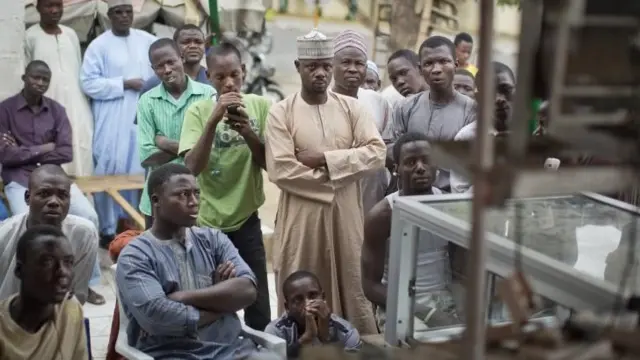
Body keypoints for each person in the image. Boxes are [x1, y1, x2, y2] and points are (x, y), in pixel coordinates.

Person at [264, 29, 385, 334]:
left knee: (351, 281)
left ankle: (357, 344)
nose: (320, 74)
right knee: (301, 280)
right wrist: (341, 175)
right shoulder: (281, 112)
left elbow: (376, 153)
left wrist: (325, 160)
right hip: (301, 219)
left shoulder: (353, 108)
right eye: (311, 67)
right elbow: (281, 169)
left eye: (325, 67)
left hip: (347, 217)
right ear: (298, 67)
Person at [116, 163, 276, 359]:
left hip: (230, 348)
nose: (194, 201)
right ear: (156, 200)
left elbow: (248, 290)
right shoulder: (136, 255)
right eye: (183, 194)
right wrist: (222, 304)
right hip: (171, 353)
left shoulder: (213, 239)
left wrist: (183, 297)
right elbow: (158, 317)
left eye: (196, 193)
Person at [179, 41, 272, 330]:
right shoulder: (197, 111)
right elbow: (191, 168)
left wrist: (247, 131)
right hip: (206, 224)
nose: (228, 82)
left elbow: (269, 164)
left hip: (246, 220)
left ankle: (259, 347)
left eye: (234, 74)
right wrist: (213, 120)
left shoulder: (260, 106)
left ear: (244, 71)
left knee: (257, 300)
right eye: (220, 77)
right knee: (209, 296)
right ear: (209, 77)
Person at [361, 132, 461, 332]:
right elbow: (370, 285)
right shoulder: (382, 215)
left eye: (426, 161)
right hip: (398, 302)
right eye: (411, 162)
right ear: (396, 169)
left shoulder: (449, 206)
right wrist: (426, 312)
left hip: (444, 299)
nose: (420, 168)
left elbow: (461, 269)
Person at [81, 0, 156, 246]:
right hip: (111, 116)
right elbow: (88, 83)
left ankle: (135, 225)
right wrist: (122, 83)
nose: (124, 16)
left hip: (142, 113)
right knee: (109, 167)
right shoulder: (98, 46)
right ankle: (107, 229)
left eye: (128, 12)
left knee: (138, 167)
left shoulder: (147, 40)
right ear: (109, 16)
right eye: (118, 13)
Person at [0, 61, 98, 227]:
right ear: (24, 78)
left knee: (88, 217)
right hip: (20, 180)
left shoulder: (56, 110)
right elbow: (6, 156)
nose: (40, 83)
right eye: (35, 78)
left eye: (45, 79)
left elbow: (66, 153)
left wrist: (21, 152)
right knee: (24, 222)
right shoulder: (5, 110)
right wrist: (45, 148)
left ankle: (78, 253)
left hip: (55, 180)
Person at [137, 38, 216, 229]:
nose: (166, 70)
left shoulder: (208, 95)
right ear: (153, 68)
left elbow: (212, 150)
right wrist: (192, 148)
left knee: (200, 256)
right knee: (159, 257)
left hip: (200, 201)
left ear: (181, 58)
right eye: (159, 66)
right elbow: (147, 156)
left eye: (171, 62)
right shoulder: (147, 101)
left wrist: (162, 142)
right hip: (158, 204)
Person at [0, 165, 100, 305]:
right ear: (28, 198)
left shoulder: (83, 234)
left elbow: (76, 296)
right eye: (44, 194)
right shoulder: (4, 235)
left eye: (62, 195)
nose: (54, 201)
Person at [390, 36, 476, 192]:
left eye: (444, 61)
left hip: (449, 199)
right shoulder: (405, 107)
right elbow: (395, 152)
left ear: (455, 64)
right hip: (409, 197)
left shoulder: (472, 111)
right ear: (420, 69)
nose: (436, 69)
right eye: (429, 63)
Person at [24, 0, 94, 177]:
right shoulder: (30, 36)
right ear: (38, 8)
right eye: (49, 6)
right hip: (47, 104)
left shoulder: (70, 34)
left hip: (76, 104)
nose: (54, 10)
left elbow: (78, 68)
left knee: (80, 149)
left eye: (58, 5)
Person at [0, 225, 88, 360]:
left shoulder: (70, 310)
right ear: (19, 270)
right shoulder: (4, 331)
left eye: (68, 262)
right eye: (47, 261)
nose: (62, 271)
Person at [331, 30, 393, 214]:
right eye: (346, 62)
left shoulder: (377, 101)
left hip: (370, 195)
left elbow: (387, 147)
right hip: (332, 194)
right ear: (332, 65)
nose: (353, 68)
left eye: (359, 63)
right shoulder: (319, 102)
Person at [450, 61, 515, 194]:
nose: (499, 99)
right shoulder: (467, 137)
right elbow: (458, 194)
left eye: (506, 90)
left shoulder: (531, 131)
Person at [265, 270, 362, 358]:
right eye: (298, 300)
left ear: (323, 297)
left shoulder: (345, 331)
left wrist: (325, 338)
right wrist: (305, 339)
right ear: (287, 307)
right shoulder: (275, 331)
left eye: (313, 296)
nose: (308, 304)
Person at [140, 24, 213, 95]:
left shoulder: (213, 80)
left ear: (205, 46)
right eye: (186, 42)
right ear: (174, 46)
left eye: (198, 42)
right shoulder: (153, 84)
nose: (193, 46)